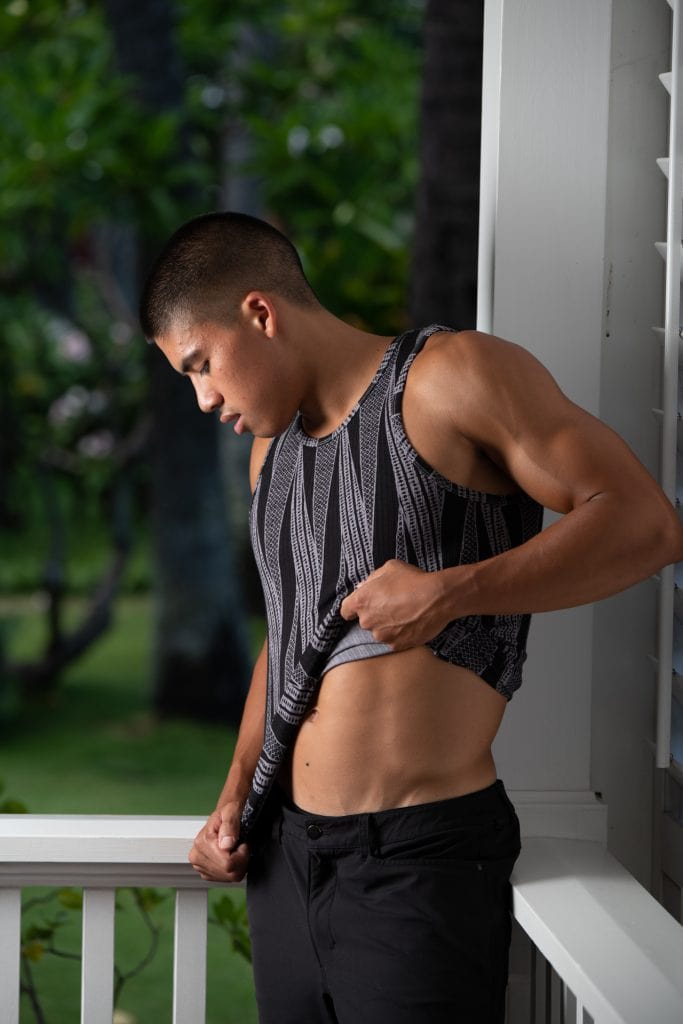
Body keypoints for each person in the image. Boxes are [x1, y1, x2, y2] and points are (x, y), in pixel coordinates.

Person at [139, 211, 683, 1024]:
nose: (204, 397)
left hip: (416, 860)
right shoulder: (270, 456)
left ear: (260, 313)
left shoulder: (450, 376)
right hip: (284, 857)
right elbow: (286, 642)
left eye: (202, 364)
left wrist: (453, 591)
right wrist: (232, 798)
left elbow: (644, 524)